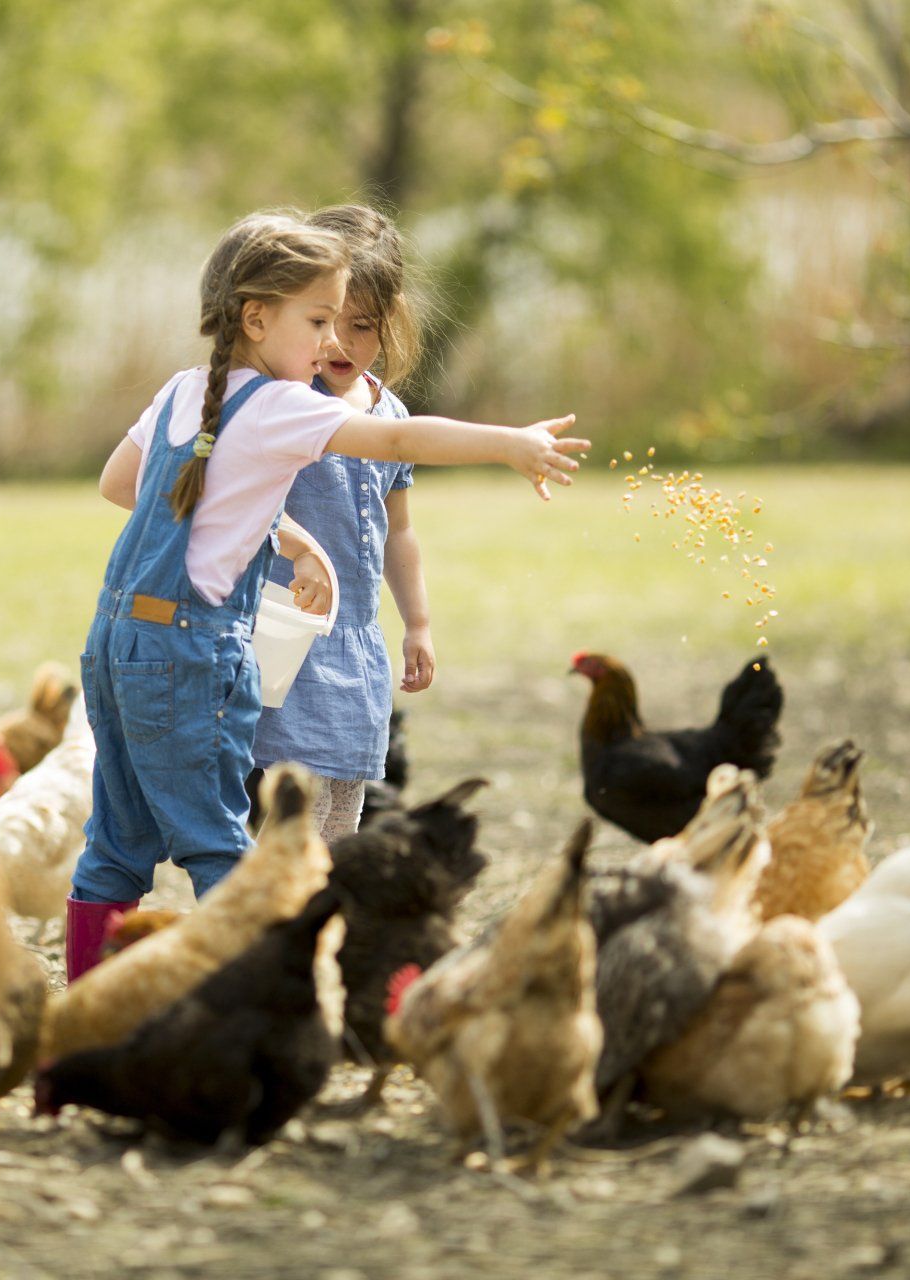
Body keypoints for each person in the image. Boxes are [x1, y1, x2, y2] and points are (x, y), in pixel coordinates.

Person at [65, 208, 586, 981]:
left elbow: (124, 485)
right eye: (316, 321)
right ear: (256, 317)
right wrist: (509, 444)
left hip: (115, 646)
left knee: (114, 847)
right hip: (187, 653)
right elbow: (401, 441)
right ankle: (247, 1012)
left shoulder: (185, 390)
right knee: (227, 852)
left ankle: (82, 1020)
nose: (328, 342)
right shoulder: (281, 405)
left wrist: (273, 529)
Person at [250, 204, 431, 844]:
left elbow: (399, 531)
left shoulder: (391, 411)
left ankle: (321, 914)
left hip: (357, 642)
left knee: (344, 810)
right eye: (325, 323)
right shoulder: (285, 404)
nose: (342, 345)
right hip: (286, 629)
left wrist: (418, 623)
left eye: (364, 327)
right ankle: (270, 914)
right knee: (287, 807)